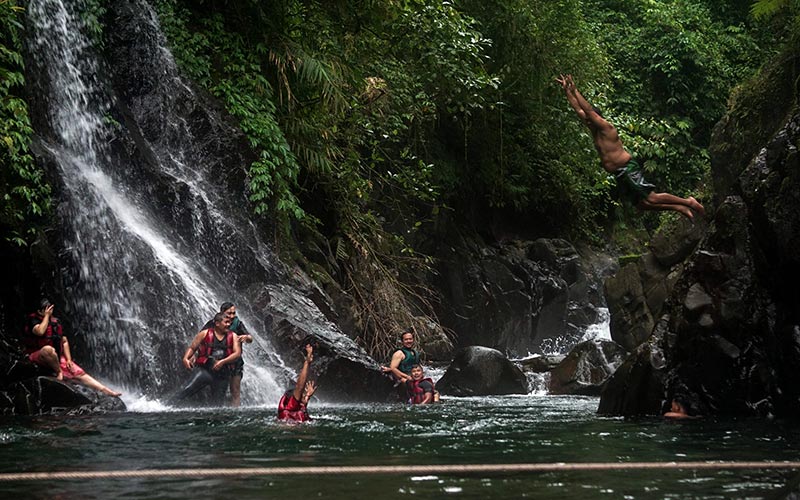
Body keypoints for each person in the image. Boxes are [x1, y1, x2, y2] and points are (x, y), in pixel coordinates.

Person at [557, 74, 705, 219]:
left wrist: (575, 90)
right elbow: (579, 110)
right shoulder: (593, 128)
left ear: (597, 119)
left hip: (628, 168)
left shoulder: (607, 128)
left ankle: (688, 202)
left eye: (590, 120)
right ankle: (678, 207)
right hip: (620, 173)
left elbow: (588, 110)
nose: (587, 122)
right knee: (641, 205)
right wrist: (567, 91)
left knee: (651, 198)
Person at [23, 298, 121, 397]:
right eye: (47, 309)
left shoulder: (56, 322)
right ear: (39, 311)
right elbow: (40, 332)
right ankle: (59, 372)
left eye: (51, 308)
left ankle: (106, 391)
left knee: (78, 372)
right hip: (38, 355)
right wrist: (47, 316)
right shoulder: (33, 320)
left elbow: (64, 341)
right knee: (47, 349)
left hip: (55, 357)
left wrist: (68, 360)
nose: (50, 311)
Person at [173, 312, 241, 405]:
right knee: (185, 391)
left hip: (222, 375)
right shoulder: (204, 334)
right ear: (217, 323)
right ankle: (164, 407)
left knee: (218, 404)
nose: (228, 325)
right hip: (205, 371)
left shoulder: (233, 336)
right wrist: (185, 358)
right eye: (226, 322)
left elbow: (237, 353)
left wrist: (223, 361)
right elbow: (192, 348)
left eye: (229, 322)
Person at [201, 302, 253, 406]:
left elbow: (250, 338)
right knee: (217, 390)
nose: (232, 316)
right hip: (216, 361)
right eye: (229, 313)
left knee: (235, 390)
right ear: (222, 313)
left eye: (234, 313)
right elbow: (200, 337)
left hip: (234, 362)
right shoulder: (214, 323)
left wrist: (247, 338)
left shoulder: (237, 324)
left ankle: (235, 414)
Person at [278, 344, 317, 422]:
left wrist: (308, 397)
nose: (304, 395)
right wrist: (307, 362)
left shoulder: (298, 406)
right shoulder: (291, 407)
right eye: (302, 395)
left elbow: (303, 403)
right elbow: (300, 386)